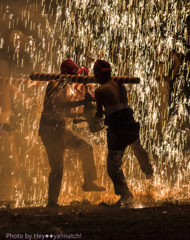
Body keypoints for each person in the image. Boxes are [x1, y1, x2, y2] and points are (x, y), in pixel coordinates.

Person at [39, 58, 105, 208]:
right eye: (73, 75)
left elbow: (66, 112)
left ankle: (88, 181)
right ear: (67, 74)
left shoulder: (65, 86)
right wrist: (82, 103)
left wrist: (86, 116)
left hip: (61, 129)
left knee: (86, 147)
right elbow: (59, 104)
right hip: (50, 131)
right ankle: (52, 201)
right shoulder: (55, 84)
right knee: (57, 167)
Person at [92, 60, 153, 206]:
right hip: (130, 122)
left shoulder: (100, 91)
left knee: (113, 165)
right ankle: (149, 174)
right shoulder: (120, 83)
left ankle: (126, 196)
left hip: (117, 128)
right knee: (138, 149)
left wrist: (92, 120)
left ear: (99, 75)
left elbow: (100, 115)